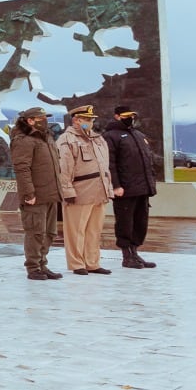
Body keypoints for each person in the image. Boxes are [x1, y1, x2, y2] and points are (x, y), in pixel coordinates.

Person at [58, 105, 114, 276]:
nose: (90, 123)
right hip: (80, 191)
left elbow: (106, 166)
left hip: (99, 191)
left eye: (91, 120)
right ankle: (77, 263)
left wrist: (108, 188)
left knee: (93, 230)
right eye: (87, 120)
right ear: (76, 120)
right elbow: (63, 168)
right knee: (76, 230)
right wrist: (67, 191)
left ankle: (92, 262)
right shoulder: (66, 139)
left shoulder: (98, 139)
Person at [10, 106, 65, 281]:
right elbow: (22, 169)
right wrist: (29, 193)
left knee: (49, 232)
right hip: (35, 196)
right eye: (40, 118)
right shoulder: (24, 140)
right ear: (30, 121)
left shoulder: (46, 138)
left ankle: (42, 263)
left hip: (51, 193)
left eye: (45, 117)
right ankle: (33, 267)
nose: (45, 121)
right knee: (35, 232)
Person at [103, 105, 159, 269]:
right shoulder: (110, 136)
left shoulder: (138, 135)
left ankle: (135, 253)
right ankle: (127, 256)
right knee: (125, 223)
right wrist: (116, 185)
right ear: (117, 116)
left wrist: (151, 183)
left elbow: (147, 160)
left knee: (140, 222)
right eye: (126, 116)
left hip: (142, 188)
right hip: (125, 190)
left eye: (132, 116)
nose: (130, 118)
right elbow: (110, 164)